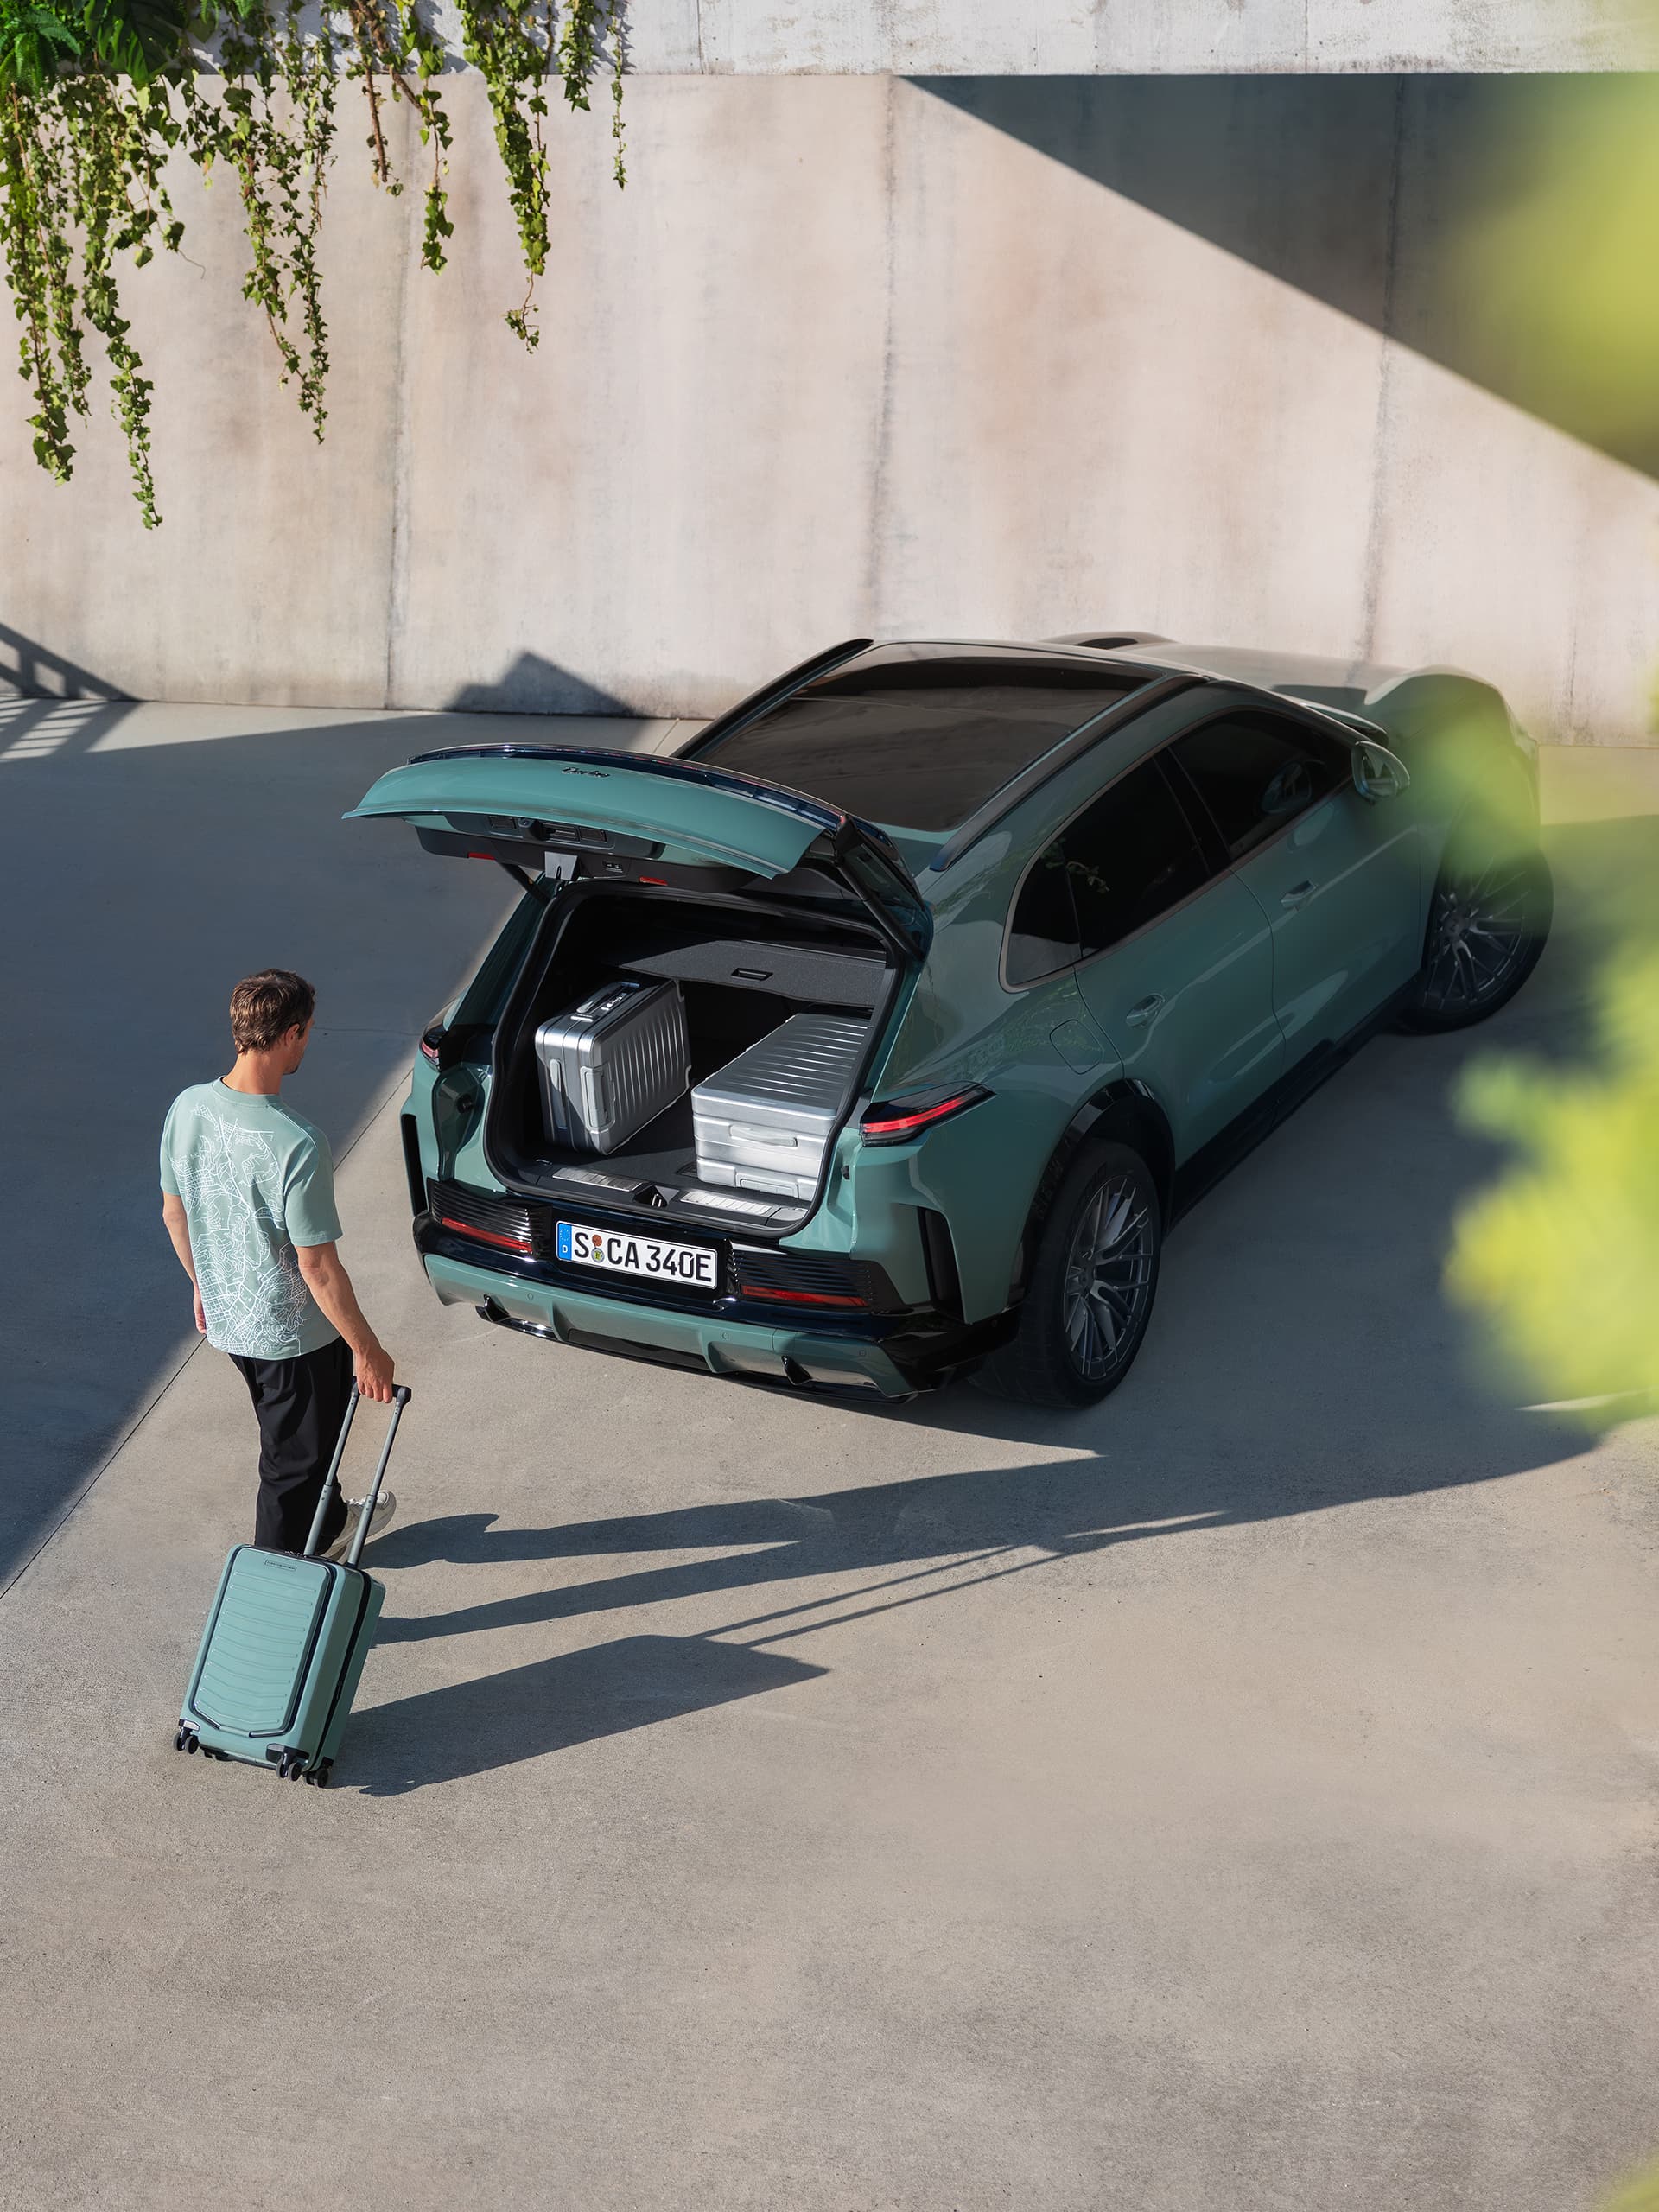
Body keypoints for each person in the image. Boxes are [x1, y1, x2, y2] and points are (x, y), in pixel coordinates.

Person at [160, 969, 399, 1558]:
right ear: (291, 1034)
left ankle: (331, 1521)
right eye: (309, 1032)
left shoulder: (188, 1107)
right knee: (290, 1467)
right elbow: (317, 1267)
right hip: (292, 1339)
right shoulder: (297, 1142)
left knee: (304, 1441)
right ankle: (273, 1583)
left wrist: (204, 1284)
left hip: (232, 1321)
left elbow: (174, 1212)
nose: (308, 1043)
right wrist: (367, 1350)